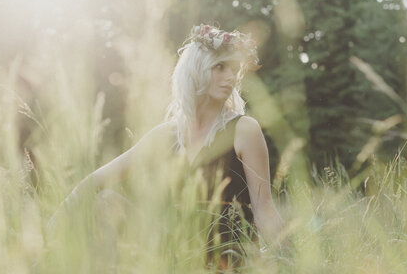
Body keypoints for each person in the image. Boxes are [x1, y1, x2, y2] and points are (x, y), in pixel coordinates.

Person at [50, 24, 287, 270]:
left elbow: (265, 210)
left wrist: (296, 263)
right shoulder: (165, 135)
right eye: (219, 67)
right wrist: (55, 223)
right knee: (108, 201)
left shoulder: (244, 129)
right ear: (196, 69)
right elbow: (94, 181)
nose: (230, 77)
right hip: (171, 254)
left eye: (234, 69)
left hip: (226, 259)